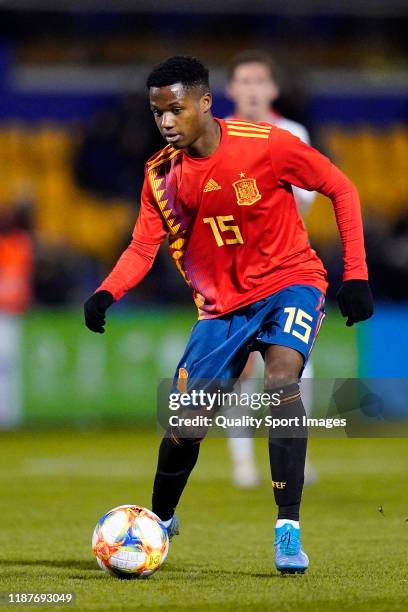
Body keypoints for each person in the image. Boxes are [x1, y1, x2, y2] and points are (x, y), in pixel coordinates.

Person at [84, 56, 373, 574]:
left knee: (282, 380)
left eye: (176, 109)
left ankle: (288, 529)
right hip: (221, 308)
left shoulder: (265, 143)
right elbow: (141, 249)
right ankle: (162, 518)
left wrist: (356, 274)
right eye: (157, 113)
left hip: (291, 281)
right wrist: (106, 293)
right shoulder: (160, 177)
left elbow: (341, 188)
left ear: (205, 103)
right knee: (186, 424)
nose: (167, 122)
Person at [225, 50, 317, 488]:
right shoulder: (214, 136)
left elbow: (306, 199)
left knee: (295, 366)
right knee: (239, 368)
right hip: (232, 272)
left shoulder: (293, 133)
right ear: (229, 90)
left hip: (285, 270)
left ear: (273, 89)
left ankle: (295, 452)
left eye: (260, 80)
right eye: (244, 81)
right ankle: (242, 460)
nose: (252, 89)